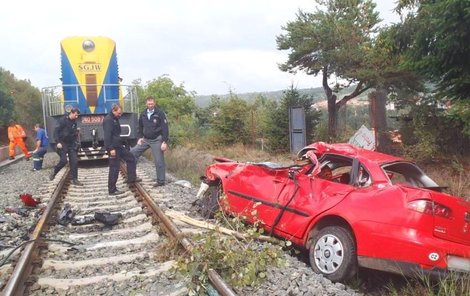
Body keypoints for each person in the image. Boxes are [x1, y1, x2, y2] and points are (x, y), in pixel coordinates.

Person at [103, 104, 141, 195]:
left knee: (131, 158)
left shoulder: (115, 119)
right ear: (113, 111)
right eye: (119, 113)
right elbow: (107, 136)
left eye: (121, 113)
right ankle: (112, 189)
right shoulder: (108, 120)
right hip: (113, 147)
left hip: (118, 146)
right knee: (114, 168)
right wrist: (110, 148)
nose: (120, 115)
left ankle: (131, 178)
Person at [131, 96, 169, 187]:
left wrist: (164, 141)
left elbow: (165, 128)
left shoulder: (160, 113)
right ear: (146, 104)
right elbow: (139, 127)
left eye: (152, 104)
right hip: (146, 139)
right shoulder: (143, 114)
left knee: (159, 161)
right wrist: (140, 138)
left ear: (154, 103)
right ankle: (132, 176)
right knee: (132, 153)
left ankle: (160, 181)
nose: (150, 105)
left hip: (157, 140)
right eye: (149, 104)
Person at [49, 107, 83, 186]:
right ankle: (54, 172)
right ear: (71, 113)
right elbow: (56, 131)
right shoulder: (62, 120)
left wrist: (76, 133)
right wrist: (58, 142)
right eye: (76, 115)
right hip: (62, 143)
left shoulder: (74, 122)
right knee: (63, 161)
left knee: (74, 161)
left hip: (71, 144)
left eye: (77, 115)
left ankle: (74, 179)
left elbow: (73, 133)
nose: (77, 117)